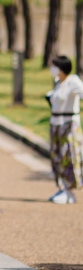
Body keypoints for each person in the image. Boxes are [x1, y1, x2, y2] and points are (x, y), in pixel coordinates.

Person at [46, 55, 83, 204]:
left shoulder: (73, 81)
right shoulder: (57, 82)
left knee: (68, 155)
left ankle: (69, 189)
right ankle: (62, 187)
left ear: (61, 68)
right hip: (55, 123)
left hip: (68, 124)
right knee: (56, 156)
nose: (52, 69)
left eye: (54, 66)